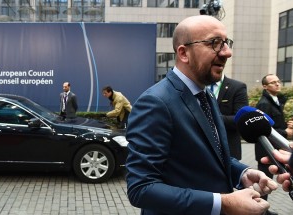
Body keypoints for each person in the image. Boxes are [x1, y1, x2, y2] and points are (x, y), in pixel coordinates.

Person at [125, 15, 278, 215]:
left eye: (226, 43)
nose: (227, 52)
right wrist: (223, 203)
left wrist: (242, 173)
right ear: (183, 53)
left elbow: (210, 157)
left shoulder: (205, 95)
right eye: (215, 43)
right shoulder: (155, 102)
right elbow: (141, 189)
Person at [254, 74, 293, 213]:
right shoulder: (264, 103)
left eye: (278, 81)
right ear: (265, 86)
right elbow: (264, 129)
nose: (277, 84)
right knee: (264, 182)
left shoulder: (276, 99)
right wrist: (285, 132)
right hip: (267, 151)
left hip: (276, 150)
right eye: (273, 82)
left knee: (270, 182)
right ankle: (260, 210)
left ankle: (263, 209)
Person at [209, 74, 248, 160]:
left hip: (228, 149)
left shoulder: (237, 87)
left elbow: (241, 118)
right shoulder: (197, 85)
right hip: (202, 149)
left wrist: (209, 118)